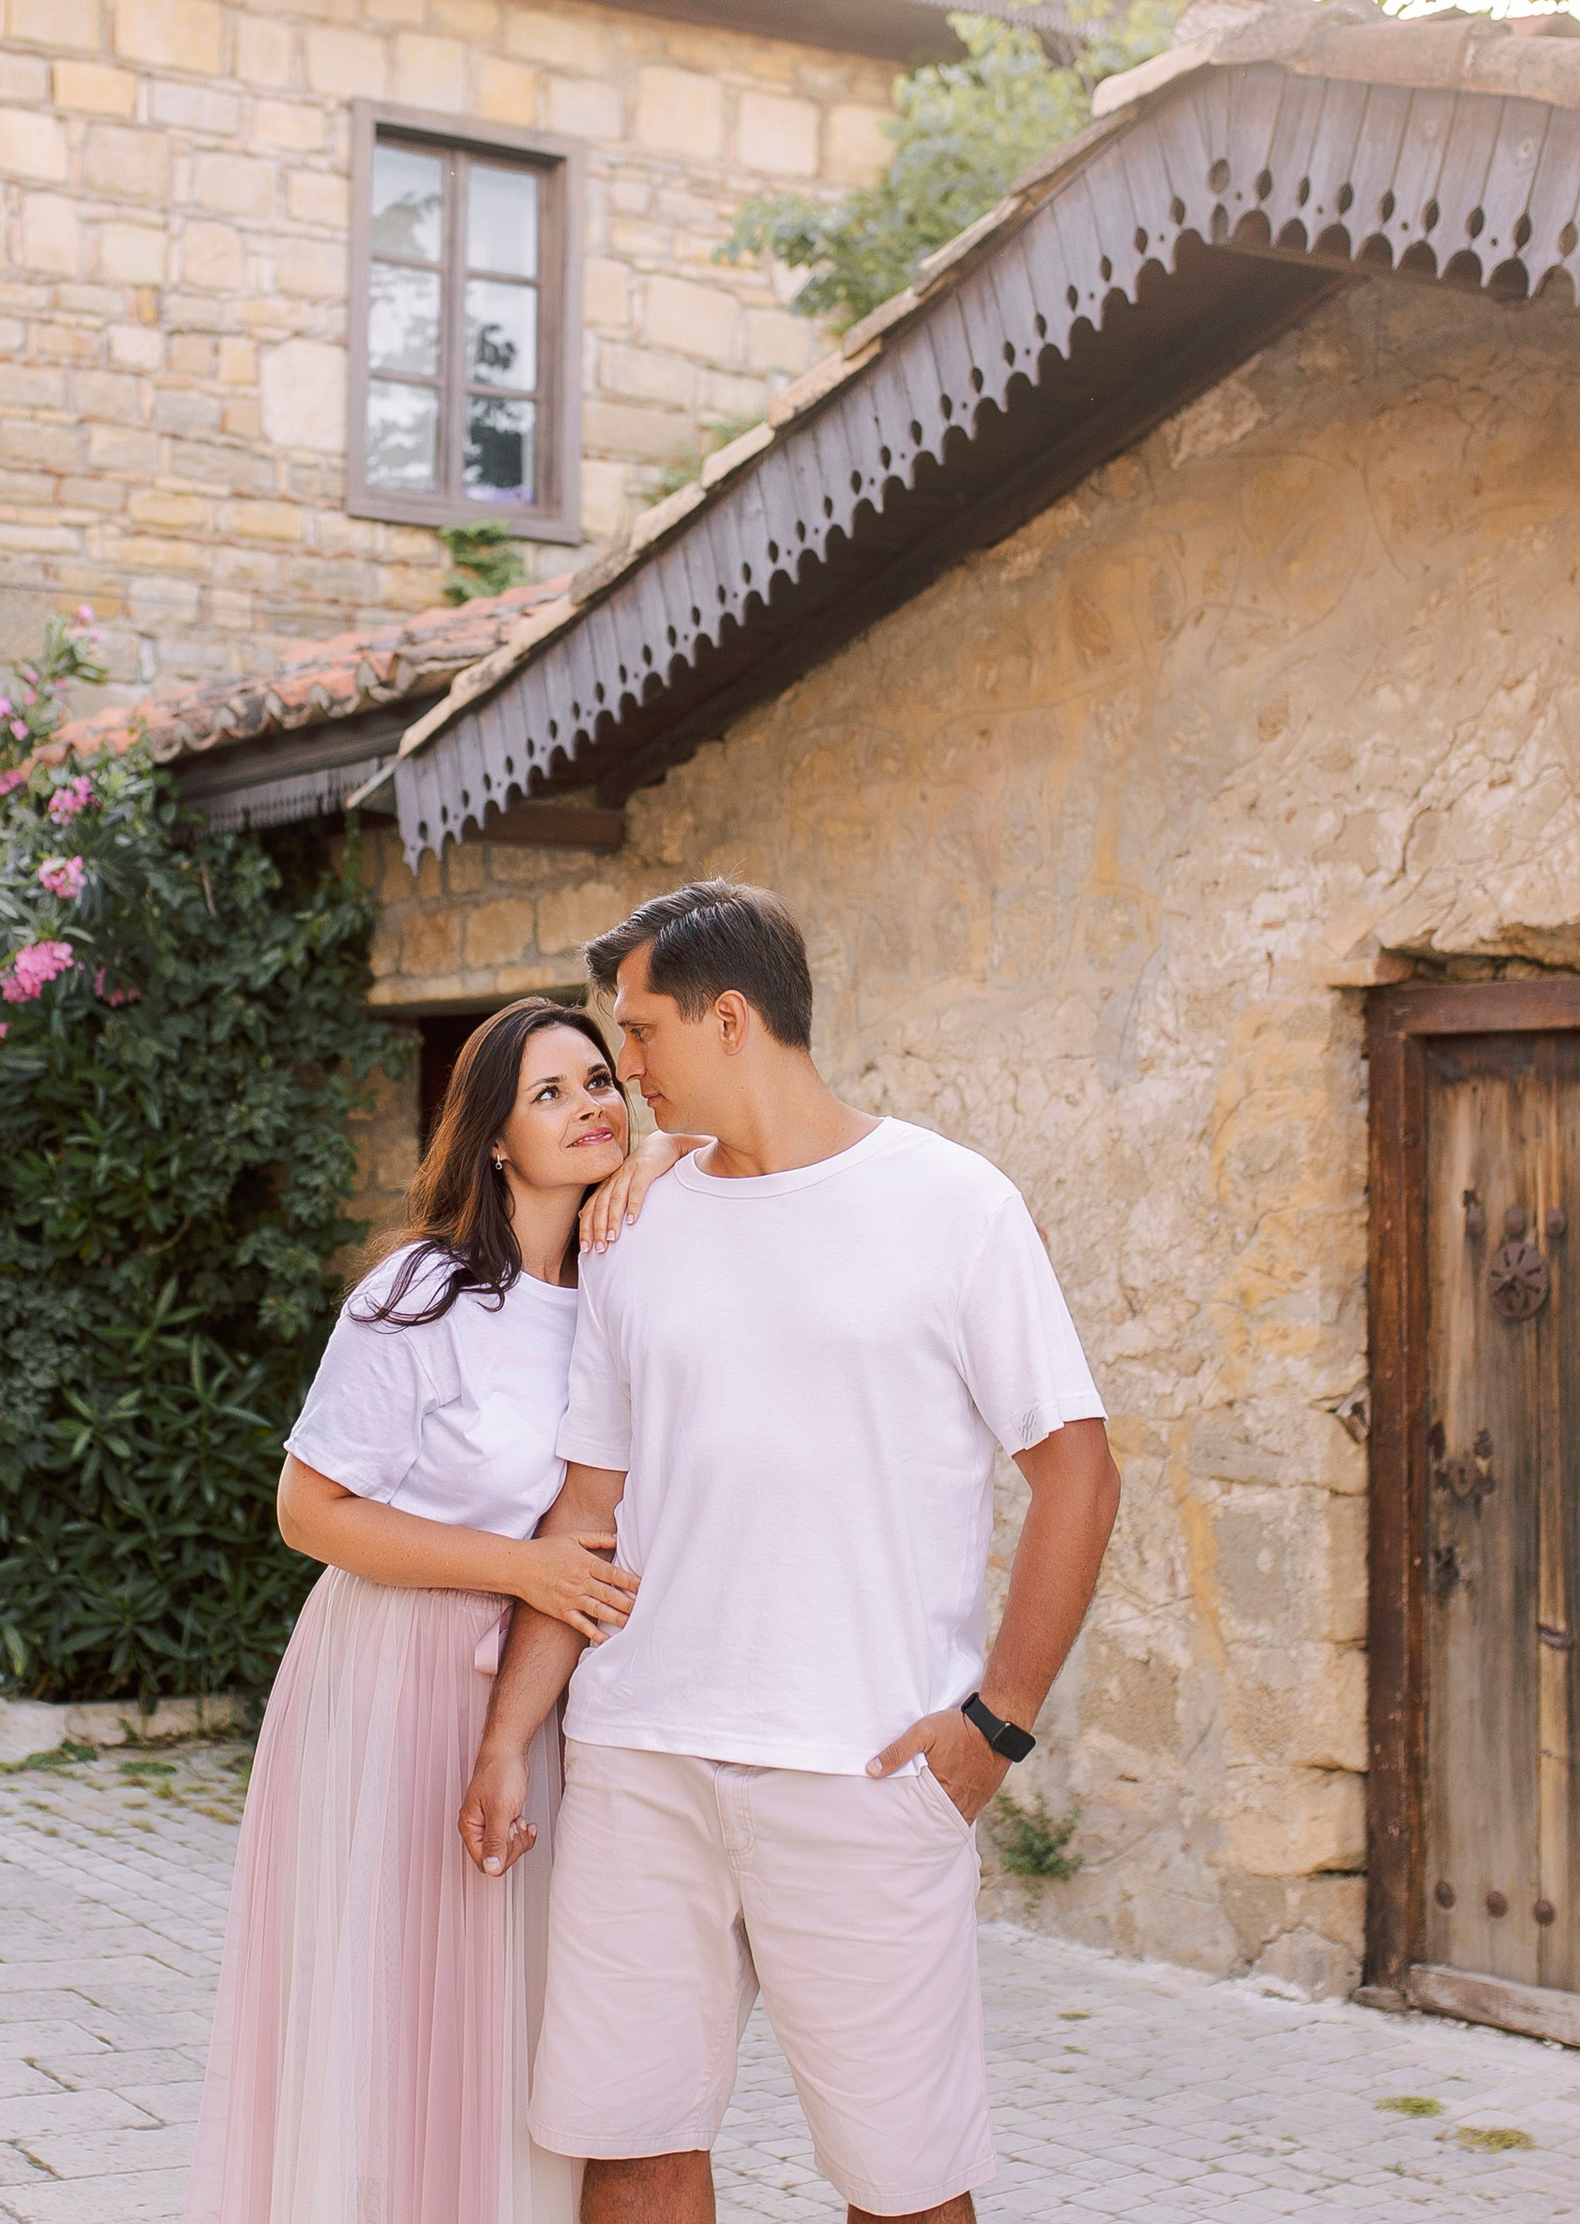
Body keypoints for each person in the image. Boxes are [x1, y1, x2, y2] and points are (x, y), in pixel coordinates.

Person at [460, 880, 1121, 2224]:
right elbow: (586, 1512)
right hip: (642, 1762)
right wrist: (505, 1739)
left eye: (639, 1034)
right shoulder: (630, 1228)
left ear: (732, 1018)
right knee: (630, 2153)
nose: (620, 1073)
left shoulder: (953, 1205)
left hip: (864, 1772)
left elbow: (1078, 1473)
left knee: (905, 2184)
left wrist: (996, 1722)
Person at [185, 996, 698, 2224]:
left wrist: (664, 1150)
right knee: (390, 2006)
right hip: (388, 1673)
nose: (589, 1105)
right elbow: (308, 1512)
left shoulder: (622, 1287)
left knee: (511, 2009)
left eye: (597, 1082)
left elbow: (733, 1146)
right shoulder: (419, 1291)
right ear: (493, 1142)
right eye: (551, 1093)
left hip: (533, 1687)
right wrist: (519, 1568)